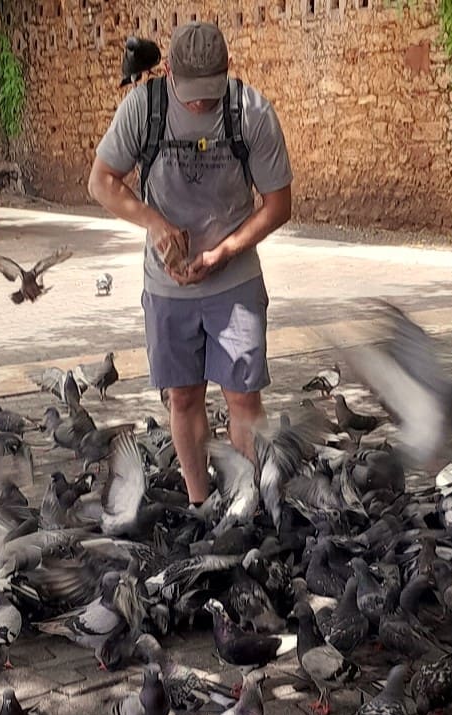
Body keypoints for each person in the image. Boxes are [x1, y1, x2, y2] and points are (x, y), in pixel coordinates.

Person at [88, 22, 293, 504]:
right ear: (168, 74)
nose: (201, 104)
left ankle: (245, 503)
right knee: (183, 397)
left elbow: (278, 205)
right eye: (191, 93)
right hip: (167, 284)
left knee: (242, 399)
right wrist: (154, 223)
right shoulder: (145, 107)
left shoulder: (252, 112)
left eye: (210, 92)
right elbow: (101, 181)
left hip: (234, 279)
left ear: (227, 74)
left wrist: (226, 250)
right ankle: (201, 502)